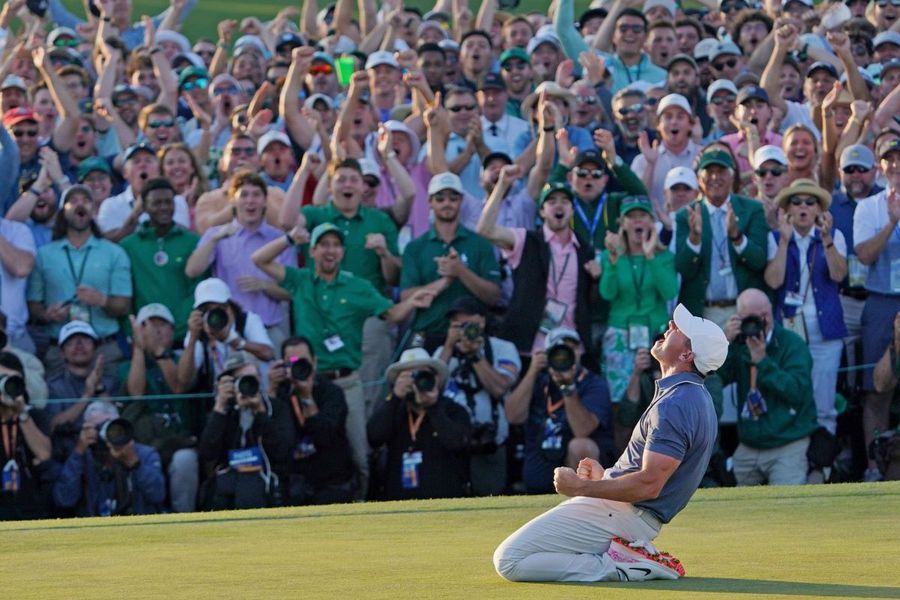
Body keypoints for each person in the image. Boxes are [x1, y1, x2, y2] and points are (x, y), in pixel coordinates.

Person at [493, 304, 727, 583]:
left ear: (687, 354)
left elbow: (650, 485)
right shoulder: (690, 396)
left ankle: (621, 566)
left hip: (625, 514)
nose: (670, 326)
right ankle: (625, 559)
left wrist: (581, 487)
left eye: (680, 329)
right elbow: (651, 477)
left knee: (509, 560)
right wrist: (606, 477)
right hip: (628, 513)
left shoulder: (676, 403)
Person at [251, 222, 437, 500]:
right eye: (324, 244)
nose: (330, 250)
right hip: (307, 382)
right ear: (312, 251)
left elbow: (392, 315)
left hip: (346, 381)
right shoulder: (301, 280)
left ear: (342, 252)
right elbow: (259, 259)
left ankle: (360, 509)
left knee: (360, 456)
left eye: (336, 245)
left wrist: (412, 302)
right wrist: (288, 239)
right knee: (301, 452)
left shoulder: (357, 286)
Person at [478, 179, 600, 365]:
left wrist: (597, 279)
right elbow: (485, 231)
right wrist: (502, 184)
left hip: (573, 348)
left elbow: (590, 301)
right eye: (552, 201)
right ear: (542, 211)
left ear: (572, 210)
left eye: (565, 201)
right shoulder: (525, 240)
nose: (558, 205)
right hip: (530, 347)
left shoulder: (584, 250)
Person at [764, 180, 847, 442]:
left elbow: (839, 275)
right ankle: (794, 454)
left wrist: (826, 239)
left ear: (819, 210)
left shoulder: (834, 236)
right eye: (797, 202)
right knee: (791, 395)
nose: (803, 207)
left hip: (826, 331)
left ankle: (823, 457)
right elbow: (773, 281)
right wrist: (784, 241)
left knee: (824, 403)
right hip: (789, 331)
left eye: (810, 202)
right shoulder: (775, 238)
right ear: (788, 209)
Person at [27, 185, 133, 375]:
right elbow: (33, 305)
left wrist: (101, 300)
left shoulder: (115, 253)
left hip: (105, 351)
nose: (80, 205)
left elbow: (124, 306)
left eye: (86, 201)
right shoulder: (43, 255)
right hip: (59, 352)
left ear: (93, 210)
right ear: (63, 211)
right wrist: (46, 315)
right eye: (73, 201)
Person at [186, 169, 293, 351]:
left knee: (283, 366)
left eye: (256, 195)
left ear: (265, 201)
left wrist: (264, 286)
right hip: (229, 332)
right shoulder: (217, 234)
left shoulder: (280, 240)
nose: (250, 201)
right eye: (244, 195)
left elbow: (292, 292)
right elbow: (192, 271)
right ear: (233, 201)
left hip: (270, 329)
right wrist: (214, 239)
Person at [719, 289, 818, 486]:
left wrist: (763, 362)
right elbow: (717, 378)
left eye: (764, 315)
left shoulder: (792, 344)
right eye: (751, 318)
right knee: (730, 500)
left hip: (788, 442)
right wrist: (723, 344)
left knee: (787, 501)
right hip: (749, 445)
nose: (760, 322)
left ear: (771, 312)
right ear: (739, 319)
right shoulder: (739, 344)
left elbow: (797, 392)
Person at [505, 327, 614, 494]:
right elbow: (512, 416)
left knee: (581, 446)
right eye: (558, 351)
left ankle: (582, 502)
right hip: (540, 462)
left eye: (572, 348)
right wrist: (532, 371)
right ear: (547, 356)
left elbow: (582, 430)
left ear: (580, 352)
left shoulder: (594, 383)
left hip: (573, 461)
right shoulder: (538, 381)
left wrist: (568, 387)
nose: (564, 356)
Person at [400, 172, 501, 351]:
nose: (447, 203)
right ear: (430, 201)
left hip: (471, 336)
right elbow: (406, 297)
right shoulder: (415, 247)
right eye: (440, 198)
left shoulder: (480, 244)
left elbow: (493, 296)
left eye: (453, 198)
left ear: (461, 201)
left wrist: (461, 271)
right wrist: (444, 282)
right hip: (427, 333)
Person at [434, 297, 520, 496]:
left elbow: (499, 388)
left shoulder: (503, 348)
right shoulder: (443, 352)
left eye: (467, 324)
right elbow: (430, 389)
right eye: (457, 325)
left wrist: (476, 355)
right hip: (450, 443)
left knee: (491, 497)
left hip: (489, 440)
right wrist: (448, 347)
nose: (463, 330)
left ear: (482, 321)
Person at [121, 304, 199, 513]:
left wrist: (159, 353)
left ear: (172, 331)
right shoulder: (127, 366)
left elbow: (179, 386)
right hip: (144, 443)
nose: (156, 330)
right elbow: (136, 393)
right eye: (148, 325)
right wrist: (139, 348)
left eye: (162, 324)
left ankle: (183, 520)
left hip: (179, 440)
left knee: (185, 460)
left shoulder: (183, 360)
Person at [599, 197, 678, 402]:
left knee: (662, 397)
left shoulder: (664, 256)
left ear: (651, 222)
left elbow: (670, 292)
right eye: (631, 216)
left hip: (655, 333)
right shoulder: (611, 255)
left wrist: (650, 257)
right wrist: (612, 262)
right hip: (620, 333)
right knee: (621, 398)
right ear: (622, 224)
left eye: (642, 215)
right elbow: (607, 293)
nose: (637, 220)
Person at [367, 348, 472, 500]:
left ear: (435, 379)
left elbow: (457, 443)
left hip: (444, 502)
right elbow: (374, 437)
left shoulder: (453, 410)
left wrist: (433, 407)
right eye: (409, 376)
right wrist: (395, 397)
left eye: (421, 375)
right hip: (399, 502)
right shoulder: (394, 411)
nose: (416, 382)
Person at [268, 336, 356, 505]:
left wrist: (307, 397)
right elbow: (272, 438)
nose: (298, 366)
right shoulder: (280, 393)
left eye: (303, 361)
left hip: (331, 481)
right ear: (283, 366)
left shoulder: (331, 392)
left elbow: (324, 437)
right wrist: (271, 390)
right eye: (292, 362)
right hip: (294, 483)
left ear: (314, 362)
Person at [197, 351, 288, 510]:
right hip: (228, 482)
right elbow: (207, 452)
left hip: (266, 481)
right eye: (240, 379)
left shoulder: (276, 408)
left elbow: (282, 453)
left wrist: (260, 412)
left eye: (251, 379)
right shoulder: (223, 412)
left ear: (260, 380)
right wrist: (220, 406)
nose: (246, 385)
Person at [119, 177, 201, 340]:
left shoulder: (192, 242)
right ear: (144, 207)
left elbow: (197, 288)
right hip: (144, 336)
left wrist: (179, 326)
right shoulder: (128, 246)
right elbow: (125, 296)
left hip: (184, 335)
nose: (164, 207)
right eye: (156, 203)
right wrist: (134, 330)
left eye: (168, 202)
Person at [53, 401, 166, 517]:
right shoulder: (83, 456)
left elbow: (158, 495)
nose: (107, 433)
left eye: (111, 426)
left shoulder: (143, 454)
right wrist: (78, 452)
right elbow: (64, 499)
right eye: (99, 427)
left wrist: (134, 463)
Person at [0, 351, 54, 521]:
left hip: (30, 507)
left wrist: (22, 414)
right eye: (1, 379)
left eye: (12, 380)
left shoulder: (35, 416)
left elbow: (43, 454)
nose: (6, 385)